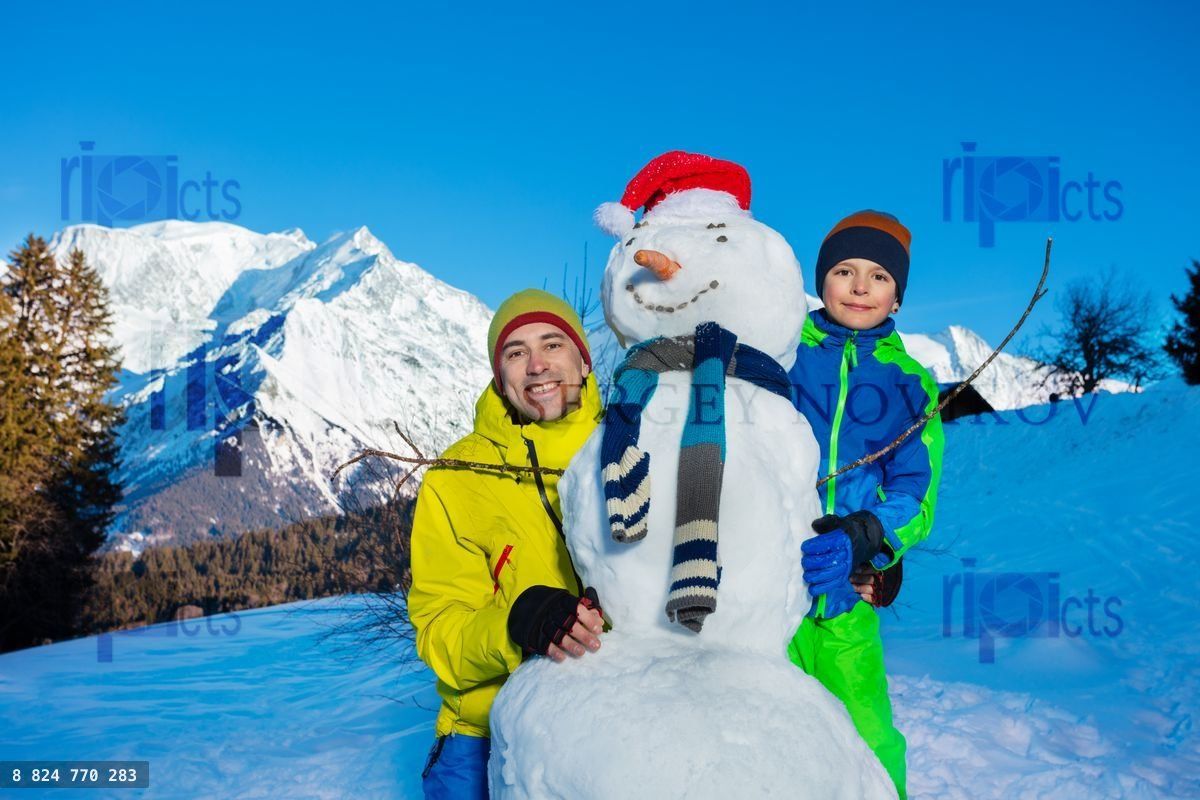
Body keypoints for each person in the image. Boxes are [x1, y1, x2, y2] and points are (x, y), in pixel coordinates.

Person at [408, 289, 607, 799]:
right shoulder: (455, 477)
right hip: (483, 733)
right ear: (500, 377)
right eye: (516, 353)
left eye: (553, 345)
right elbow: (439, 633)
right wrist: (515, 622)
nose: (537, 366)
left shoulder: (630, 447)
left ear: (583, 363)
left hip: (611, 710)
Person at [786, 210, 945, 800]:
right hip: (758, 583)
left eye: (879, 276)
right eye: (845, 270)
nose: (859, 287)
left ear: (897, 297)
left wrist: (870, 538)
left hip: (841, 596)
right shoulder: (779, 353)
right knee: (758, 732)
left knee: (867, 737)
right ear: (821, 280)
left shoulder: (909, 382)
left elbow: (915, 492)